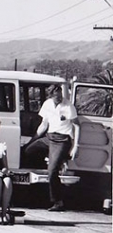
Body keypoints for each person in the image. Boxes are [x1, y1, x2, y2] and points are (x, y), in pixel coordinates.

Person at [36, 81, 80, 212]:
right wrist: (33, 139)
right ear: (51, 96)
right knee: (28, 151)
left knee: (52, 172)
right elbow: (44, 125)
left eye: (60, 95)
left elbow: (77, 126)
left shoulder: (69, 106)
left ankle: (58, 201)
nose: (59, 98)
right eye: (56, 96)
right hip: (49, 137)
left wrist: (76, 146)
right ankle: (55, 160)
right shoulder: (47, 104)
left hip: (62, 140)